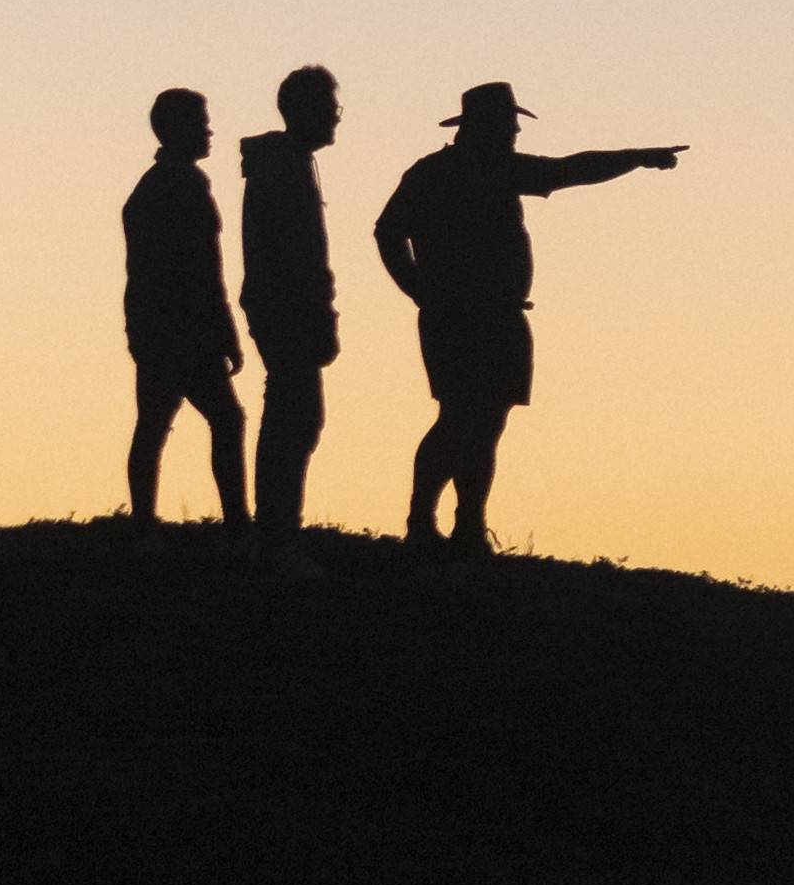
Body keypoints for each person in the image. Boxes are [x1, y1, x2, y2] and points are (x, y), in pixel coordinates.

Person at [372, 81, 682, 554]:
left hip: (482, 313)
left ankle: (454, 525)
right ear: (485, 127)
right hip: (477, 315)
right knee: (466, 417)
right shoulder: (481, 170)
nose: (516, 131)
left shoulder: (436, 171)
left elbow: (387, 232)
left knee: (476, 417)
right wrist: (636, 156)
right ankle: (444, 524)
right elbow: (570, 170)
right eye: (509, 123)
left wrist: (420, 291)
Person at [118, 89, 247, 523]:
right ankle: (235, 521)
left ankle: (144, 522)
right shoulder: (180, 187)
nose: (209, 130)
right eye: (200, 121)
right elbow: (203, 269)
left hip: (157, 327)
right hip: (182, 328)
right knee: (224, 420)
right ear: (177, 129)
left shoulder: (155, 187)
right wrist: (223, 330)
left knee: (154, 424)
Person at [235, 64, 351, 532]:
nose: (336, 118)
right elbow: (292, 253)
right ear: (302, 111)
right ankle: (277, 532)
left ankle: (277, 526)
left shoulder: (286, 163)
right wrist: (315, 311)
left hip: (283, 306)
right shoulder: (284, 169)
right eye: (329, 108)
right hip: (287, 309)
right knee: (295, 416)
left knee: (294, 413)